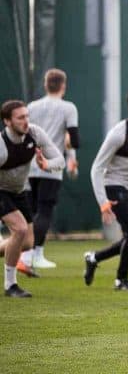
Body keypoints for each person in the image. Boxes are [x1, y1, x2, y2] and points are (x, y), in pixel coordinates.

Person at [83, 88, 128, 291]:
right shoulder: (118, 134)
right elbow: (97, 168)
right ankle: (121, 280)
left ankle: (94, 257)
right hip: (113, 186)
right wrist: (103, 202)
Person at [0, 100, 64, 297]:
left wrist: (46, 164)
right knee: (18, 229)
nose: (26, 121)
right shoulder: (2, 146)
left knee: (26, 243)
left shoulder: (34, 133)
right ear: (7, 122)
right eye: (20, 118)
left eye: (27, 116)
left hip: (18, 191)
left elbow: (59, 160)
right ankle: (10, 285)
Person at [20, 69, 79, 269]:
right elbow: (74, 139)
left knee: (31, 211)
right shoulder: (68, 108)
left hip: (29, 167)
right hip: (51, 167)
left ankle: (29, 255)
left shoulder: (32, 107)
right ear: (63, 86)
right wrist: (70, 153)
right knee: (44, 211)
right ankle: (33, 255)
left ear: (46, 85)